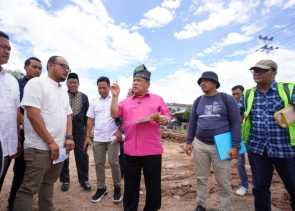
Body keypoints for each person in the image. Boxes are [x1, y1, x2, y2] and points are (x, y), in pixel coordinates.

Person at [13, 56, 75, 211]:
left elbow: (68, 115)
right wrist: (50, 142)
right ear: (51, 65)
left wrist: (68, 137)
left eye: (68, 68)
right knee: (28, 189)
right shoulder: (36, 83)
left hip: (59, 149)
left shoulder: (63, 91)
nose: (67, 70)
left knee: (48, 183)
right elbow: (33, 114)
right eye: (64, 66)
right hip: (39, 148)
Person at [110, 64, 171, 211]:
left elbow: (168, 117)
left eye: (139, 80)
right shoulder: (125, 102)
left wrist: (163, 119)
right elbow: (114, 114)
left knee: (153, 186)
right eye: (134, 81)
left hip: (152, 151)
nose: (135, 83)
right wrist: (115, 97)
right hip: (130, 152)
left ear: (147, 84)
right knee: (130, 186)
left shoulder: (157, 99)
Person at [242, 59, 295, 211]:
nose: (257, 73)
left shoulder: (288, 89)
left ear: (274, 72)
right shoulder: (248, 93)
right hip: (258, 150)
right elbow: (239, 114)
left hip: (286, 150)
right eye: (255, 70)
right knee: (260, 189)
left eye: (262, 70)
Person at [184, 71, 241, 211]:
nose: (202, 83)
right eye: (200, 82)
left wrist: (235, 146)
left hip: (222, 145)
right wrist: (189, 141)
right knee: (201, 178)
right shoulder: (198, 100)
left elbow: (235, 123)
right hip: (200, 144)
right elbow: (192, 123)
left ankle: (225, 207)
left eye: (205, 81)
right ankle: (201, 204)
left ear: (215, 82)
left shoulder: (227, 99)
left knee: (223, 180)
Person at [7, 57, 42, 210]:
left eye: (40, 68)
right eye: (34, 67)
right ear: (26, 67)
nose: (37, 71)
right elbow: (16, 109)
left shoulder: (41, 87)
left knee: (28, 170)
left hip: (35, 135)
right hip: (17, 132)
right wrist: (23, 124)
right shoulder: (17, 85)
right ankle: (13, 203)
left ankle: (20, 202)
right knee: (17, 170)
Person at [84, 76, 122, 203]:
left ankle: (117, 188)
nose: (101, 90)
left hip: (112, 138)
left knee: (113, 162)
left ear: (109, 86)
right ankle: (101, 188)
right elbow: (90, 120)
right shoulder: (94, 101)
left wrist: (120, 131)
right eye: (99, 88)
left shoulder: (116, 99)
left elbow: (122, 118)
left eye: (104, 88)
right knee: (99, 164)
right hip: (98, 138)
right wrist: (87, 136)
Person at [59, 72, 91, 192]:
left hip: (80, 132)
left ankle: (84, 180)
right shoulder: (61, 95)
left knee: (82, 156)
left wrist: (87, 133)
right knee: (63, 156)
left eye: (75, 82)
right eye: (70, 82)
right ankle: (65, 180)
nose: (72, 84)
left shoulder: (84, 97)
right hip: (64, 131)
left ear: (78, 84)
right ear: (67, 83)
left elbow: (88, 117)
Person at [0, 31, 20, 191]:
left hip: (6, 147)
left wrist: (17, 140)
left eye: (9, 49)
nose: (6, 51)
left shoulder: (11, 81)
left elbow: (15, 112)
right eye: (2, 47)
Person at [231, 85, 249, 196]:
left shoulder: (248, 103)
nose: (235, 96)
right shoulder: (232, 106)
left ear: (243, 93)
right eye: (233, 94)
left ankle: (259, 187)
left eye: (237, 93)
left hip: (252, 137)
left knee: (256, 164)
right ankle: (244, 185)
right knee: (240, 163)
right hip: (240, 138)